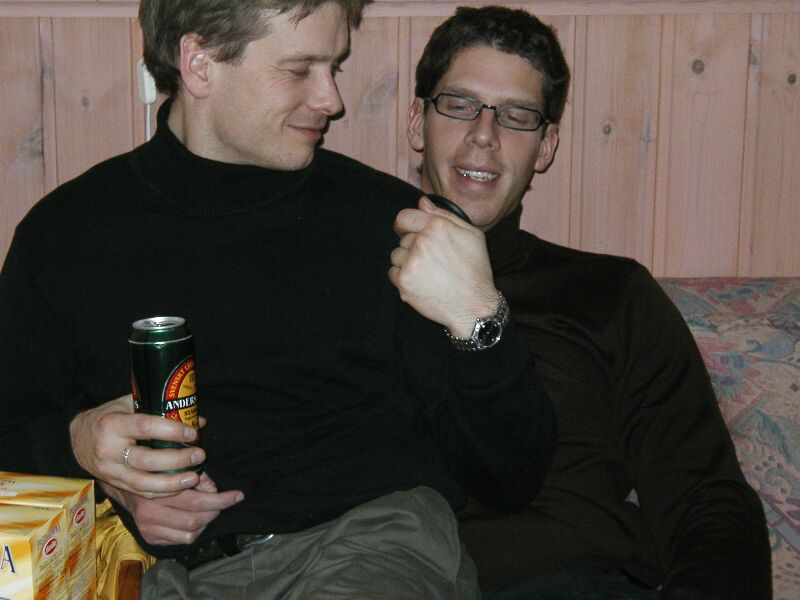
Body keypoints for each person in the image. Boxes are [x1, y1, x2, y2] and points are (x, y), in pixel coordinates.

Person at [0, 1, 557, 598]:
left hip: (369, 546)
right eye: (300, 70)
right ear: (200, 63)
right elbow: (11, 433)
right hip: (176, 576)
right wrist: (88, 454)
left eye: (332, 68)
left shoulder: (390, 226)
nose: (331, 99)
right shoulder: (68, 233)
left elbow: (510, 479)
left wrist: (479, 318)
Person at [405, 5, 772, 599]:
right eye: (460, 104)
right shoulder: (343, 279)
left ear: (545, 146)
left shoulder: (610, 293)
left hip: (570, 581)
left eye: (517, 116)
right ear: (416, 122)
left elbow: (705, 498)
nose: (484, 134)